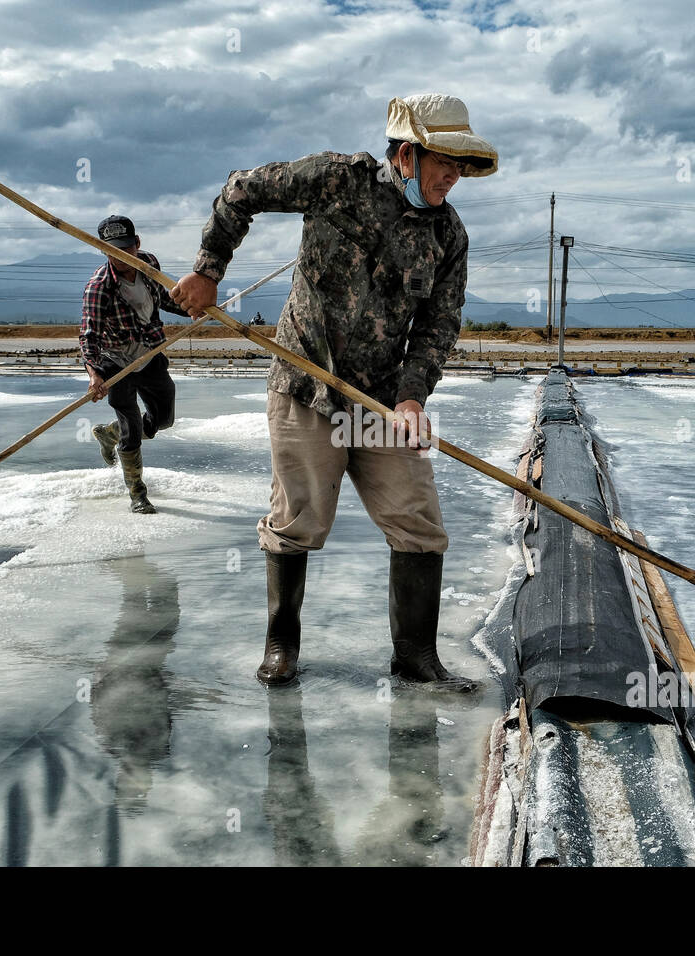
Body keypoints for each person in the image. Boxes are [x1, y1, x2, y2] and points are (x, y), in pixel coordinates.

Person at [170, 93, 497, 689]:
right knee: (298, 519)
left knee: (418, 520)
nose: (454, 175)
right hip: (306, 385)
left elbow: (439, 325)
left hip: (381, 401)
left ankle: (416, 659)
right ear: (406, 154)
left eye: (461, 164)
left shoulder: (448, 235)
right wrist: (208, 270)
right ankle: (281, 648)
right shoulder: (335, 180)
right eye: (444, 160)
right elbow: (241, 189)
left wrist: (412, 395)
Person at [80, 215, 189, 514]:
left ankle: (109, 433)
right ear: (103, 250)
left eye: (126, 248)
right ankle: (137, 495)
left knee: (164, 419)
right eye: (113, 250)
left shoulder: (149, 264)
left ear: (137, 244)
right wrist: (94, 375)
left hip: (150, 354)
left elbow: (163, 301)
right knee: (132, 430)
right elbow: (89, 336)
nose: (121, 256)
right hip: (116, 363)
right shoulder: (98, 287)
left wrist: (193, 308)